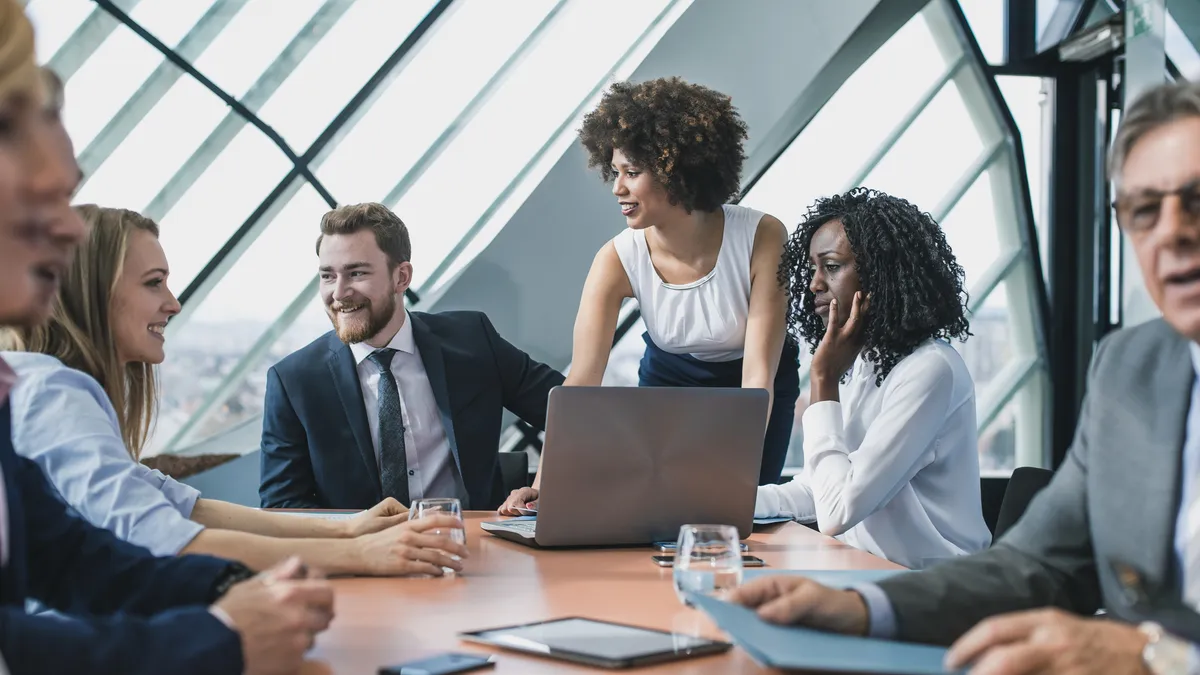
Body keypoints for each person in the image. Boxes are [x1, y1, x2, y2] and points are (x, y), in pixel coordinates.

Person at [728, 80, 1200, 675]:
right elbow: (1039, 567)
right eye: (1145, 210)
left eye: (1197, 200)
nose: (1172, 231)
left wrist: (1161, 658)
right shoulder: (1132, 368)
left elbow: (840, 506)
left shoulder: (929, 368)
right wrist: (860, 607)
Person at [0, 4, 331, 673]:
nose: (67, 230)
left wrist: (231, 589)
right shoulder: (52, 389)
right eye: (45, 197)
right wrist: (223, 635)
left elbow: (70, 556)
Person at [1, 203, 468, 576]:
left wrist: (349, 531)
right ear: (93, 291)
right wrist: (363, 554)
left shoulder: (47, 385)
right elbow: (163, 537)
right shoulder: (52, 391)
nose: (174, 302)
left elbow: (184, 506)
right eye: (153, 283)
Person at [500, 76, 797, 514]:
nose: (617, 188)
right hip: (668, 385)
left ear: (678, 169)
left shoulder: (763, 236)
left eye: (632, 173)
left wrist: (737, 477)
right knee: (654, 513)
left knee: (743, 513)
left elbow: (757, 380)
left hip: (754, 390)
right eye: (615, 171)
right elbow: (581, 384)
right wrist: (546, 482)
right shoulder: (616, 258)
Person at [259, 202, 564, 511]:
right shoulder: (294, 381)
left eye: (356, 273)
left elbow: (573, 412)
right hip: (362, 554)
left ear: (401, 277)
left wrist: (542, 487)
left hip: (472, 546)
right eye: (328, 276)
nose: (339, 293)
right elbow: (283, 507)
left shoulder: (472, 341)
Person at [751, 188, 991, 568]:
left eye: (830, 266)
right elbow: (820, 488)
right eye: (812, 268)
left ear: (881, 274)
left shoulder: (929, 370)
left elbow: (836, 512)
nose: (814, 284)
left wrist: (823, 379)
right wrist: (719, 504)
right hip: (863, 570)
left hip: (931, 588)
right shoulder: (865, 362)